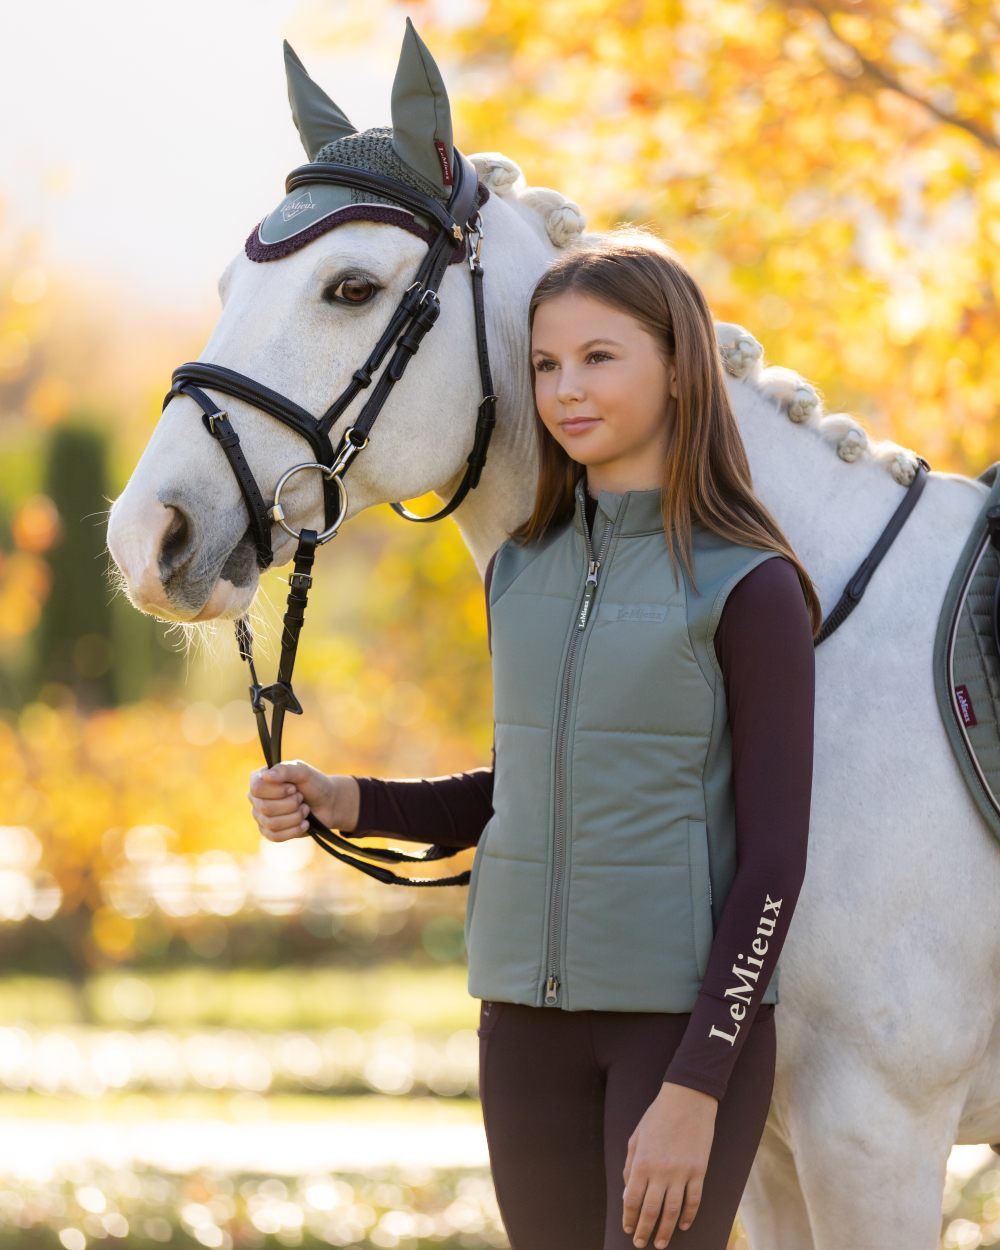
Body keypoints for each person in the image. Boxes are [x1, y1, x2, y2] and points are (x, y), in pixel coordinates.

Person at [248, 224, 818, 1250]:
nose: (566, 389)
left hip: (674, 1028)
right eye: (546, 363)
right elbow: (523, 786)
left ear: (682, 368)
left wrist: (699, 1082)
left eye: (600, 357)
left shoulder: (750, 583)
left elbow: (774, 861)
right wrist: (352, 799)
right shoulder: (519, 567)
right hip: (521, 1024)